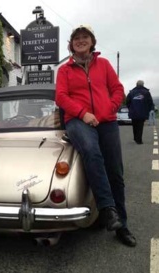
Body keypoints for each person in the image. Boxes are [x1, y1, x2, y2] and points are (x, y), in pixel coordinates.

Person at [56, 24, 136, 247]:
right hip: (77, 120)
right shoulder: (64, 70)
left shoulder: (104, 64)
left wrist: (106, 111)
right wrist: (83, 114)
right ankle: (107, 209)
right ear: (71, 44)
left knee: (115, 172)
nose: (80, 40)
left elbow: (118, 90)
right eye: (76, 38)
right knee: (91, 152)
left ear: (92, 42)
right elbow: (61, 97)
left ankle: (122, 225)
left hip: (105, 120)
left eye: (85, 37)